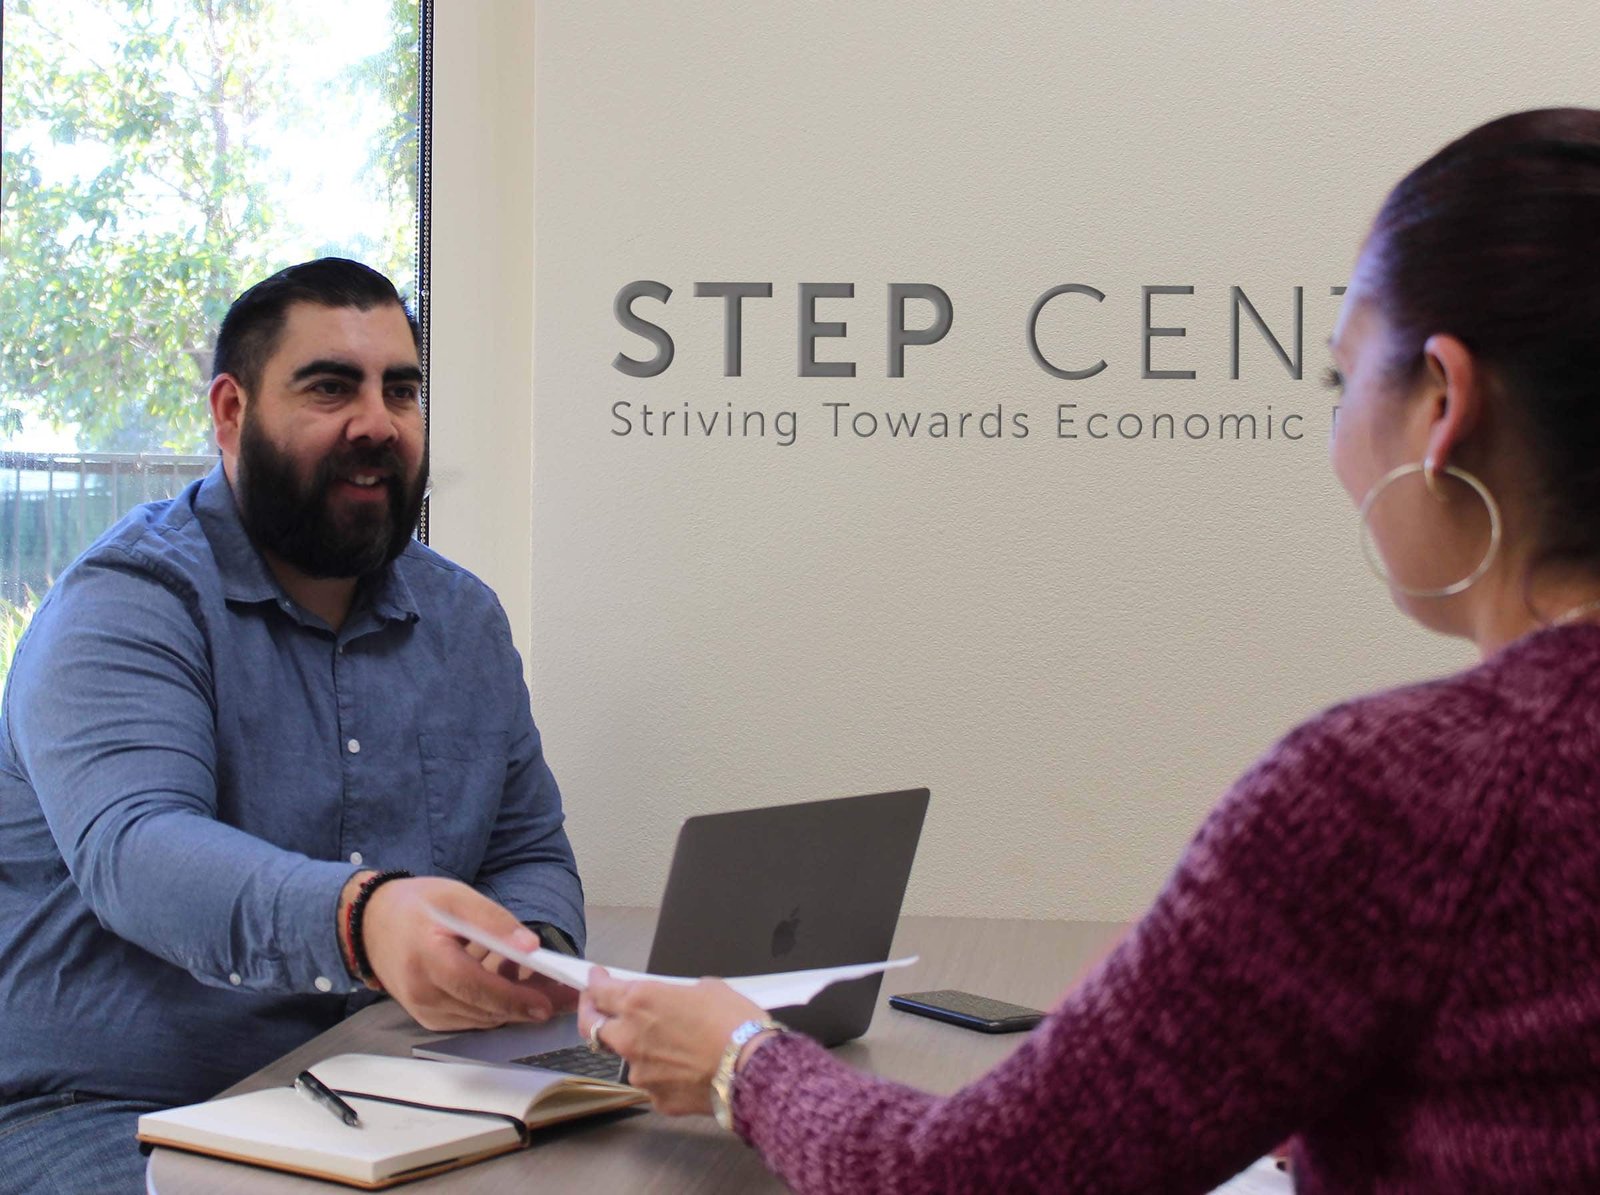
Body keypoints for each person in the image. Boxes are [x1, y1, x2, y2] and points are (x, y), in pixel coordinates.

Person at [577, 108, 1600, 1192]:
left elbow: (969, 1178)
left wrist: (738, 1059)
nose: (1339, 438)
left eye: (1340, 382)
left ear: (1442, 401)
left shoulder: (1401, 794)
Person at [0, 258, 583, 1193]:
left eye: (402, 388)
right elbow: (137, 848)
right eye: (330, 387)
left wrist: (533, 960)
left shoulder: (464, 621)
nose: (378, 422)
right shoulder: (124, 604)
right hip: (112, 1111)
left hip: (386, 1089)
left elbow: (528, 850)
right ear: (230, 413)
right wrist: (365, 918)